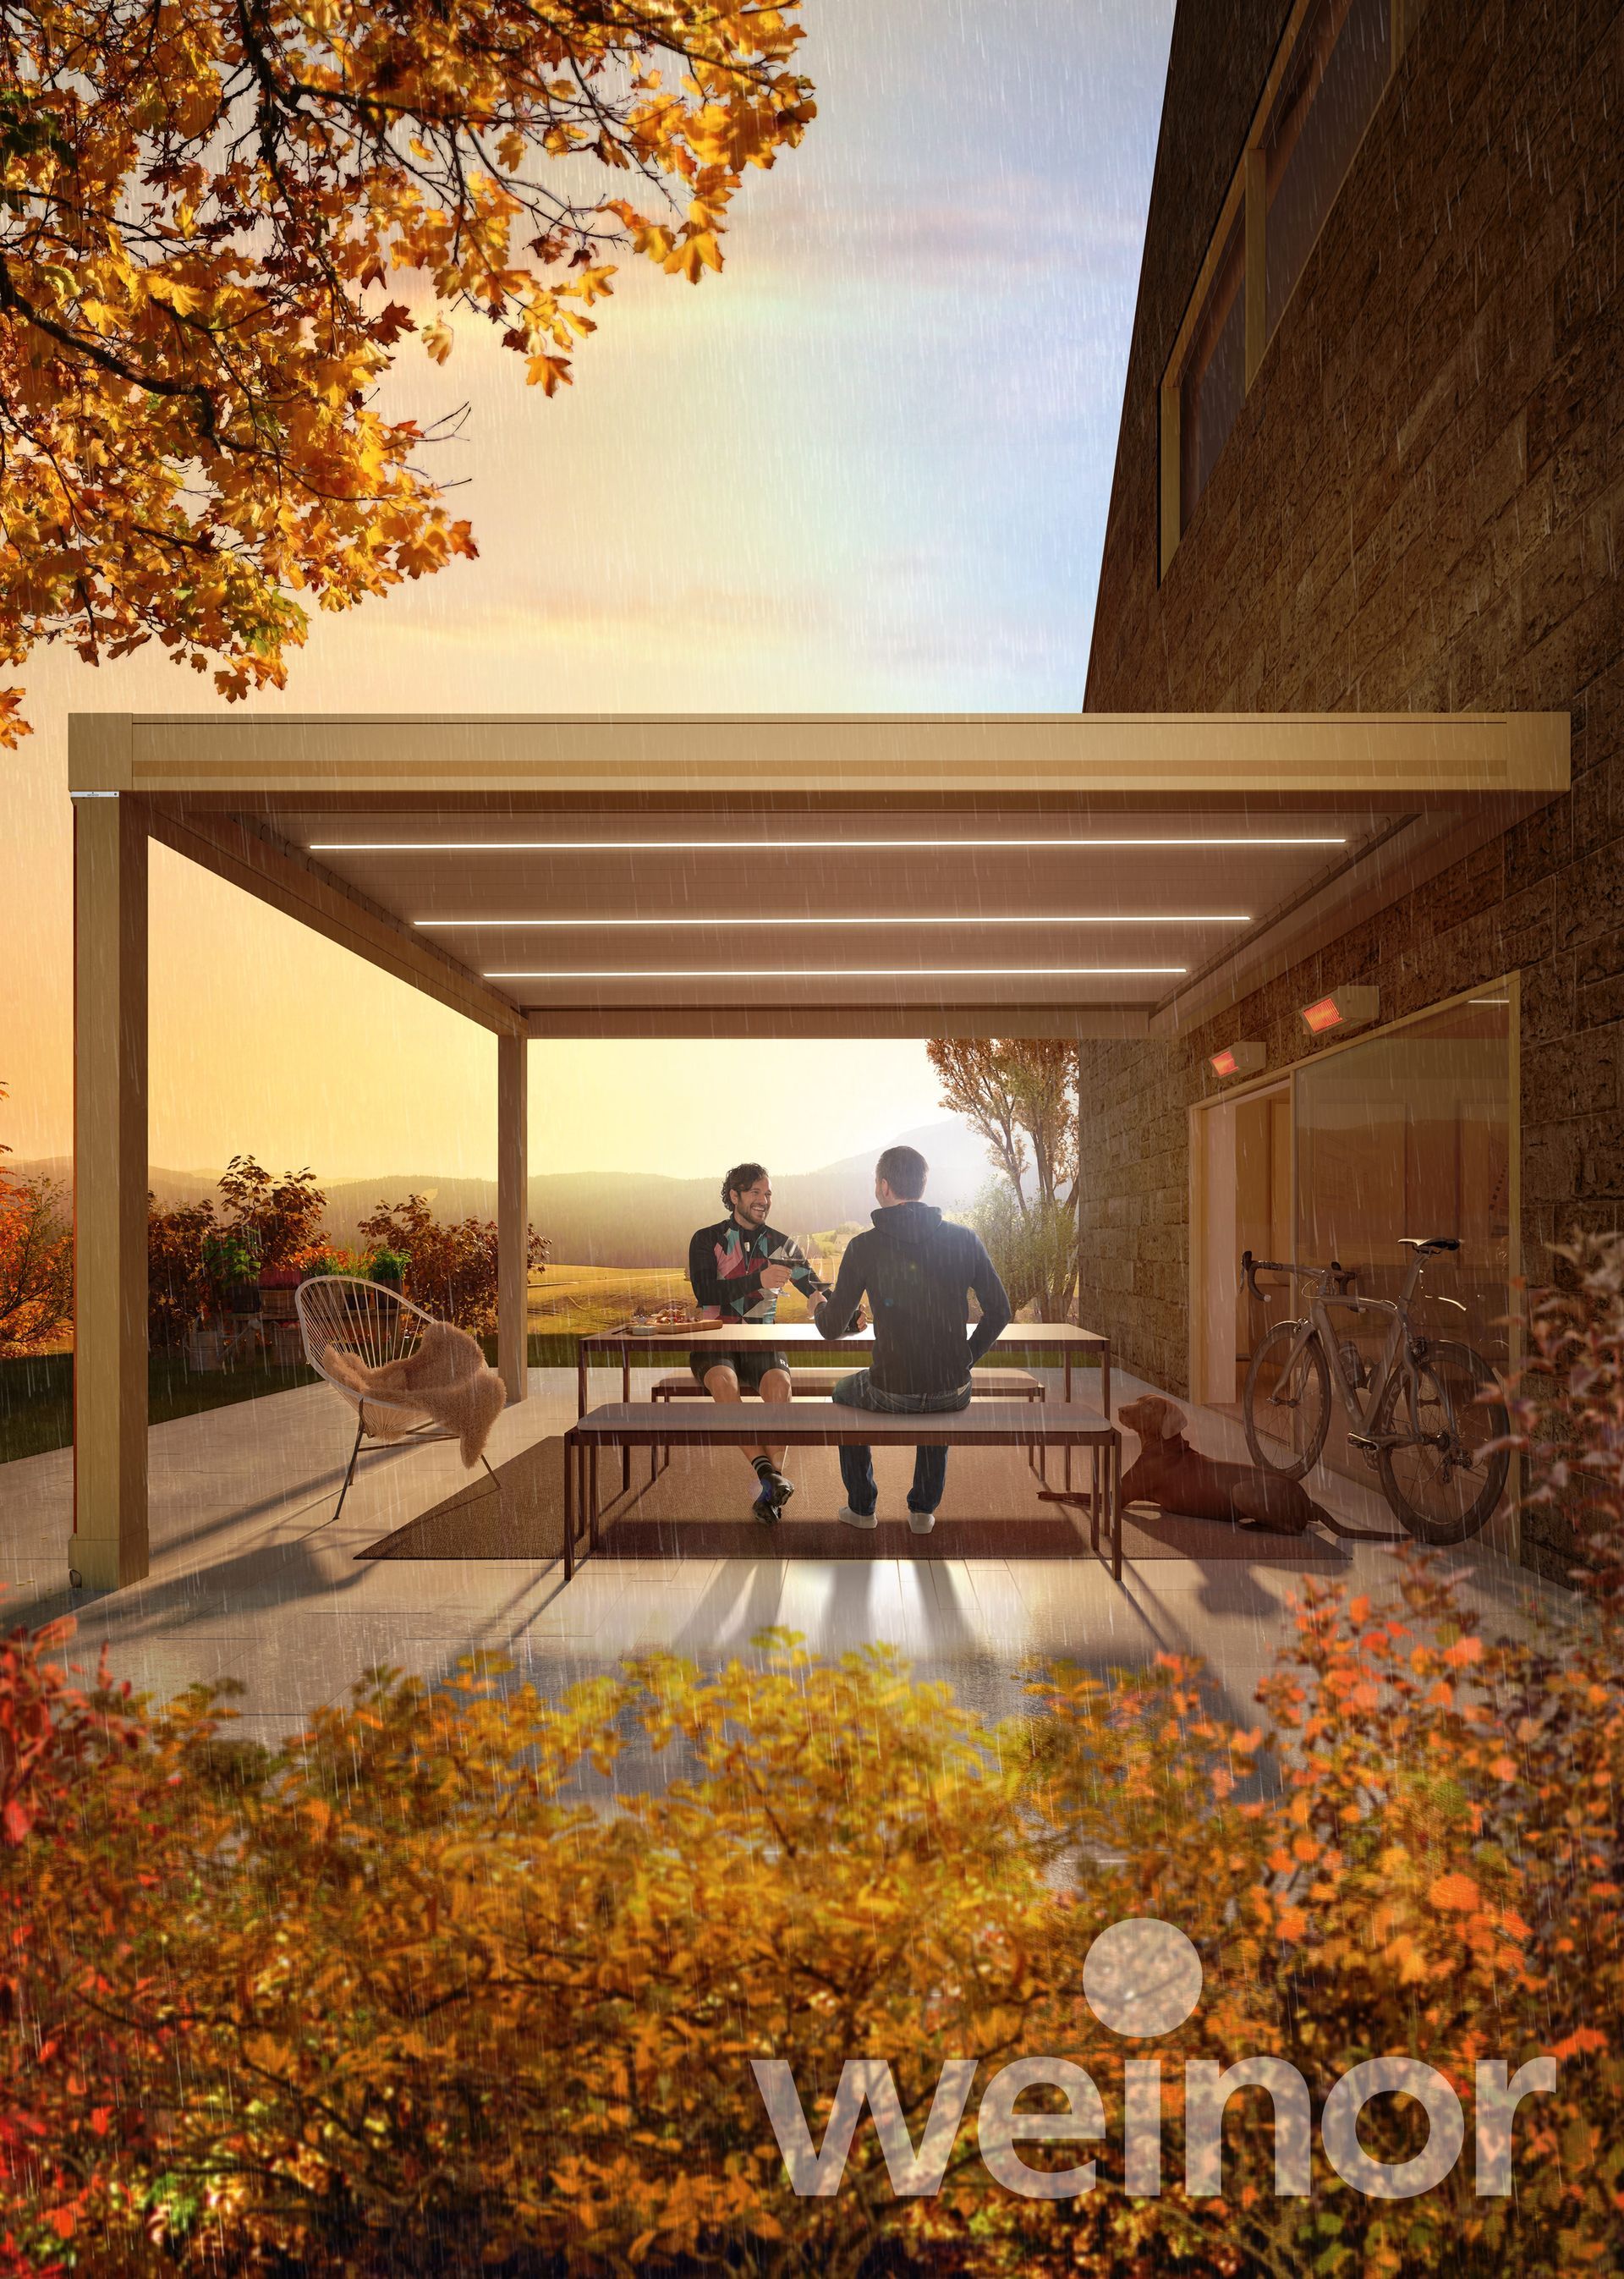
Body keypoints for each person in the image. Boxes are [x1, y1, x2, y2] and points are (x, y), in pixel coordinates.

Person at [813, 1143, 1012, 1533]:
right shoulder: (964, 1239)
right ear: (921, 1185)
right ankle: (922, 1510)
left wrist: (818, 1307)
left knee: (842, 1392)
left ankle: (863, 1507)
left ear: (885, 1186)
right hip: (953, 1387)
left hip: (890, 1388)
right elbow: (1001, 1311)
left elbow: (831, 1327)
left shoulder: (863, 1246)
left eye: (876, 1181)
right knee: (938, 1394)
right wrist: (965, 1358)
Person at [688, 1163, 834, 1524]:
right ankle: (767, 1472)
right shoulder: (706, 1239)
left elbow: (815, 1290)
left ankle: (771, 1486)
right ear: (734, 1196)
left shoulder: (782, 1244)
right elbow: (705, 1291)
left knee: (781, 1384)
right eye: (755, 1192)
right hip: (714, 1338)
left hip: (762, 1341)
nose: (763, 1200)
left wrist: (841, 1309)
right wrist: (758, 1278)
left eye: (767, 1193)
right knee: (723, 1381)